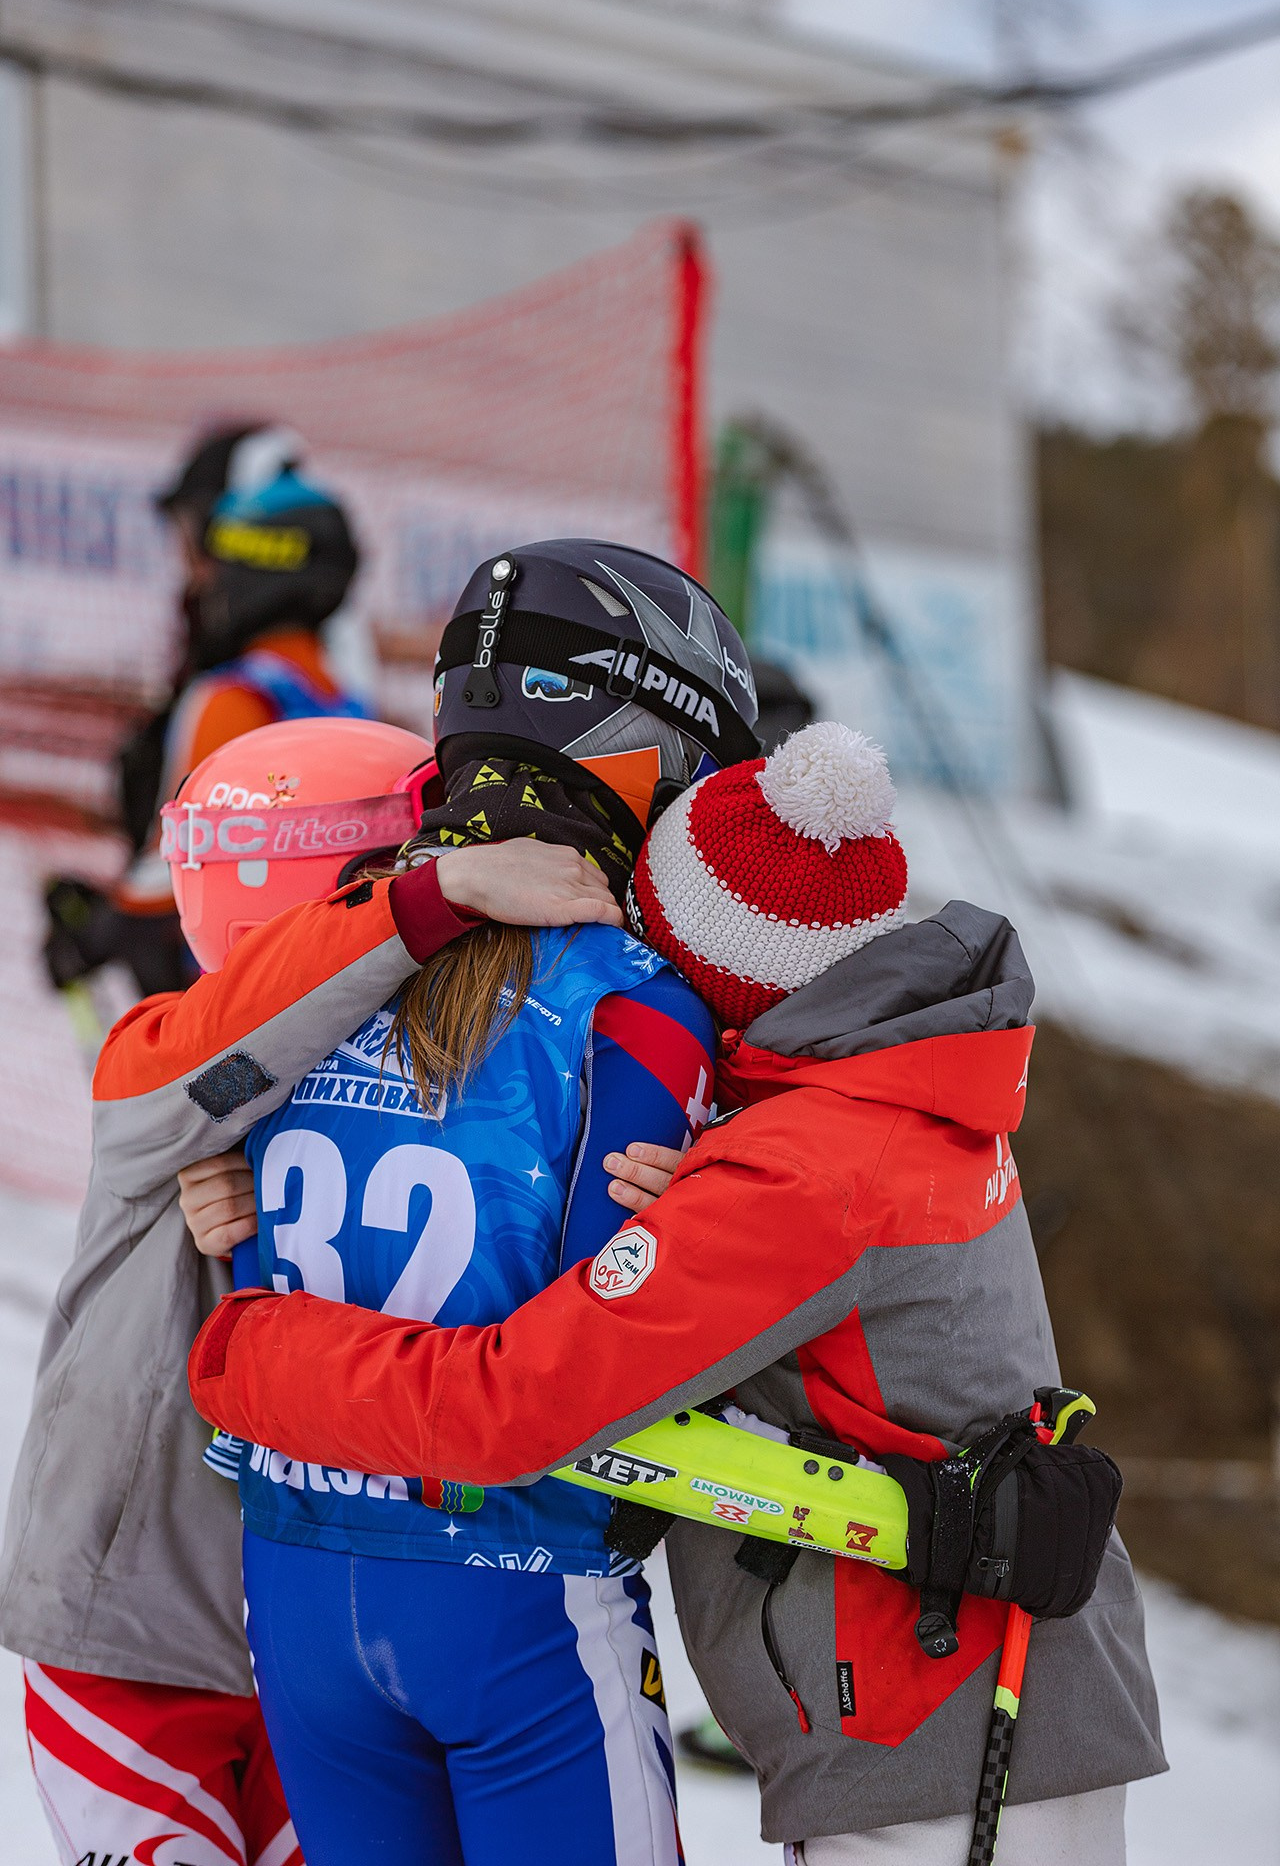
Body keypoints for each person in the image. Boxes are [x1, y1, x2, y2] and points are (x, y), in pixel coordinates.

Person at [190, 720, 1166, 1866]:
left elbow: (511, 1405)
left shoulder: (802, 1170)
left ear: (714, 971)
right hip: (942, 1715)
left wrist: (243, 1356)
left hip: (936, 1746)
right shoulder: (877, 1083)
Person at [17, 540, 760, 1866]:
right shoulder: (634, 1001)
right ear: (641, 742)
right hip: (516, 1600)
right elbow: (627, 1353)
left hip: (297, 1601)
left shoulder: (309, 985)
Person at [44, 422, 366, 1002]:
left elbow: (172, 874)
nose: (199, 576)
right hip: (324, 1002)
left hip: (225, 1015)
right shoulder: (345, 700)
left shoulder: (232, 701)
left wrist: (93, 932)